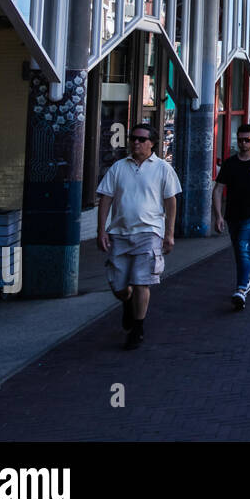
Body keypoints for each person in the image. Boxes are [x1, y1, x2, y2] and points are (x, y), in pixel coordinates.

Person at [96, 123, 181, 350]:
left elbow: (170, 201)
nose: (136, 142)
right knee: (119, 285)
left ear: (152, 143)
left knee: (142, 281)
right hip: (120, 233)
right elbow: (105, 197)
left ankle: (137, 328)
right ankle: (127, 302)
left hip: (149, 232)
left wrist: (169, 233)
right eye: (133, 138)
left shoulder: (162, 168)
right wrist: (101, 230)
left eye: (141, 139)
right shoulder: (118, 167)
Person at [212, 124, 250, 310]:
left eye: (247, 140)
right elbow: (217, 190)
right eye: (240, 140)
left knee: (243, 247)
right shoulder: (230, 163)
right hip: (232, 215)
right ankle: (245, 282)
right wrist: (218, 216)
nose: (244, 143)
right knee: (239, 252)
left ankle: (241, 289)